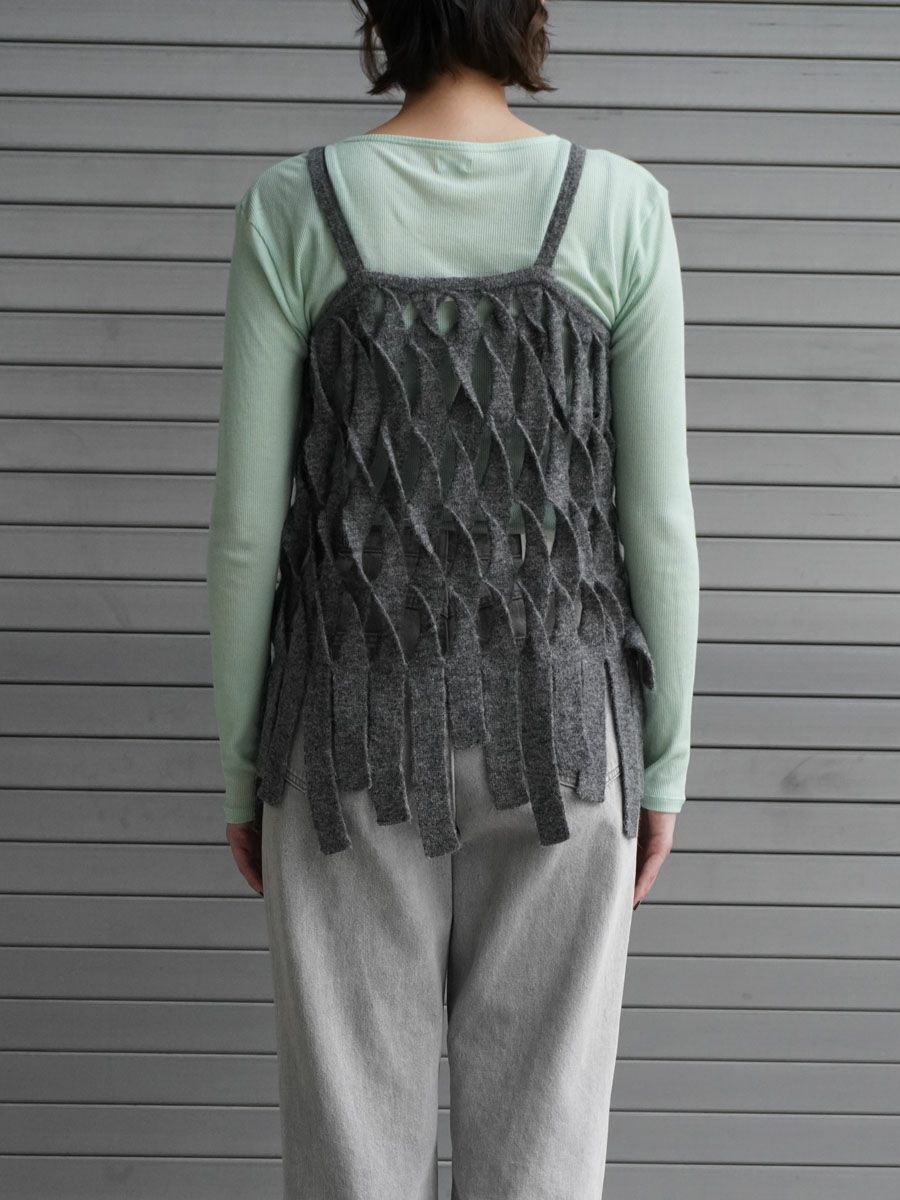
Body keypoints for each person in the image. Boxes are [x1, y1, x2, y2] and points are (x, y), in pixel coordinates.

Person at [206, 1, 699, 1195]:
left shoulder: (293, 205)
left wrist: (240, 767)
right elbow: (659, 524)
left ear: (384, 13)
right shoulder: (620, 205)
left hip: (343, 731)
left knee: (350, 1146)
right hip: (564, 730)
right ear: (527, 14)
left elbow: (246, 533)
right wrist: (665, 767)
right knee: (543, 1146)